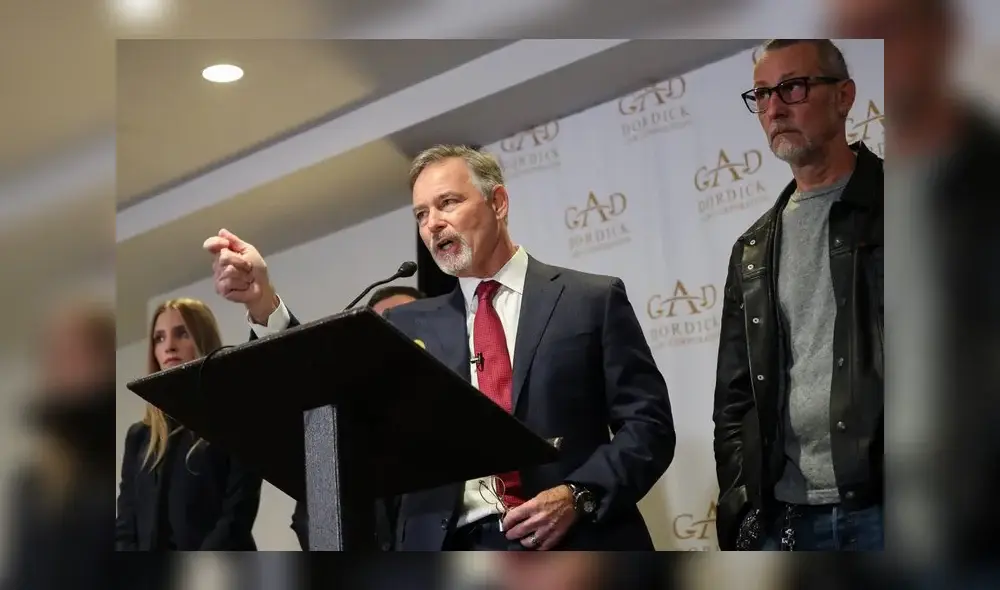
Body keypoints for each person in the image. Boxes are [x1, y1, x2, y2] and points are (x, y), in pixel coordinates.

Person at [204, 144, 675, 551]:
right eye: (421, 214)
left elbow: (648, 427)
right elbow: (325, 384)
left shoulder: (587, 300)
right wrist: (264, 303)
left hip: (571, 543)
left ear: (499, 202)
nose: (432, 225)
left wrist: (578, 494)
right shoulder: (409, 325)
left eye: (447, 203)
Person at [829, 0, 1000, 564]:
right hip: (878, 532)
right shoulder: (858, 206)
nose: (875, 56)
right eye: (855, 39)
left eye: (886, 31)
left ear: (939, 34)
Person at [713, 39, 884, 551]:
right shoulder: (752, 248)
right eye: (762, 94)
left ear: (844, 96)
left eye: (793, 86)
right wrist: (743, 499)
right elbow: (735, 397)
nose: (774, 107)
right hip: (787, 515)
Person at [115, 298, 262, 550]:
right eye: (159, 338)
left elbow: (236, 517)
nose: (169, 346)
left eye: (181, 333)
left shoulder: (234, 421)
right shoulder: (139, 437)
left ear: (202, 339)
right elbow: (126, 526)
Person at [288, 285, 425, 551]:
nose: (393, 334)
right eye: (382, 325)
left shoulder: (454, 415)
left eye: (405, 321)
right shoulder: (338, 428)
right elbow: (309, 521)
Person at [1, 300, 116, 590]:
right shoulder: (32, 481)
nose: (58, 369)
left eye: (74, 354)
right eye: (52, 356)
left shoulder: (131, 467)